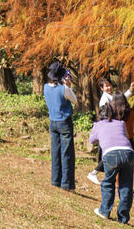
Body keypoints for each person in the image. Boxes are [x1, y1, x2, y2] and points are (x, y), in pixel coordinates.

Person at [88, 93, 134, 224]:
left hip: (111, 154)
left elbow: (92, 140)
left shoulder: (98, 124)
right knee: (126, 185)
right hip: (128, 152)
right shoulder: (120, 123)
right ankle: (123, 218)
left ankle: (104, 211)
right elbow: (125, 136)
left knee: (108, 182)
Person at [88, 76, 134, 185]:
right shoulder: (104, 100)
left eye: (110, 85)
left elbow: (120, 99)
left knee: (108, 156)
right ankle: (94, 173)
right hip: (108, 130)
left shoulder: (111, 97)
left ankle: (96, 173)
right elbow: (104, 116)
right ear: (101, 88)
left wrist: (130, 90)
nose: (109, 88)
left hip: (111, 129)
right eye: (106, 86)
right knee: (107, 155)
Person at [43, 61, 77, 191]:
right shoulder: (64, 89)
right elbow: (75, 100)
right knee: (67, 153)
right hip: (64, 122)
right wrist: (68, 86)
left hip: (52, 121)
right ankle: (66, 184)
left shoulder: (45, 87)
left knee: (55, 152)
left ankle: (55, 180)